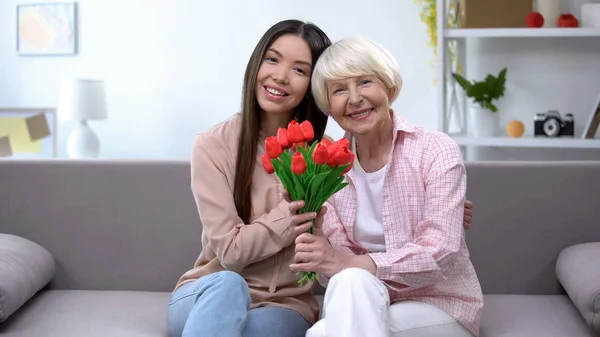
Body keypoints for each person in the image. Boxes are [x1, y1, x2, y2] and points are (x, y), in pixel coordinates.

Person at [166, 20, 475, 337]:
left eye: (299, 70)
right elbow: (230, 253)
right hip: (212, 290)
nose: (281, 76)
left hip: (283, 304)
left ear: (313, 88)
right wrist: (293, 212)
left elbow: (340, 249)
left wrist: (443, 206)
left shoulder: (330, 157)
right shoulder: (213, 144)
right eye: (272, 59)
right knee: (228, 287)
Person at [290, 36, 484, 337]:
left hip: (440, 306)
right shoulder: (327, 171)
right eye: (340, 89)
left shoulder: (435, 150)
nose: (354, 99)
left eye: (365, 82)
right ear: (328, 104)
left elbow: (440, 250)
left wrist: (350, 262)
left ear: (388, 87)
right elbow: (334, 273)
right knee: (346, 288)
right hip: (364, 300)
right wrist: (321, 247)